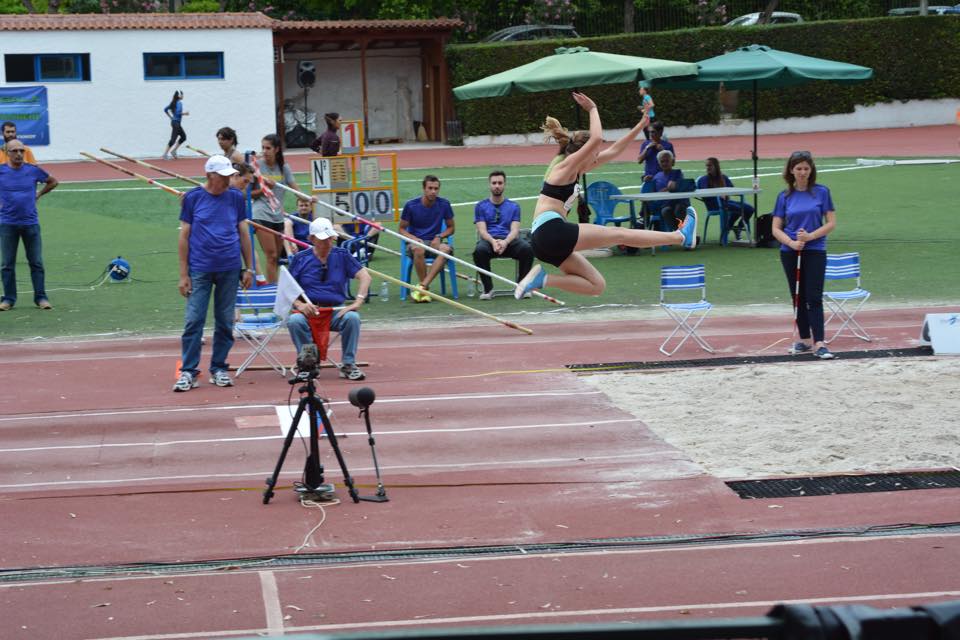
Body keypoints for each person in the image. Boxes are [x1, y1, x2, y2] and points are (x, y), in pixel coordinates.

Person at [514, 92, 697, 300]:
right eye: (593, 153)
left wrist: (641, 125)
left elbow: (615, 150)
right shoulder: (564, 167)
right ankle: (679, 236)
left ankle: (543, 280)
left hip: (546, 243)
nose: (597, 157)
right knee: (618, 234)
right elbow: (597, 138)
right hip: (550, 231)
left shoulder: (575, 170)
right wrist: (592, 109)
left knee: (596, 285)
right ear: (582, 152)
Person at [174, 155, 255, 392]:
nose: (228, 180)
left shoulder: (235, 198)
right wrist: (183, 274)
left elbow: (243, 232)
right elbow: (184, 237)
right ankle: (189, 371)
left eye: (230, 176)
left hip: (229, 268)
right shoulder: (193, 198)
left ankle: (219, 368)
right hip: (199, 268)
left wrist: (248, 267)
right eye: (224, 176)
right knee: (193, 320)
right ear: (210, 175)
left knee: (224, 320)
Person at [286, 217, 372, 381]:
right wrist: (300, 305)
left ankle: (348, 364)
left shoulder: (342, 255)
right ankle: (308, 364)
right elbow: (287, 288)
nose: (328, 244)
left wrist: (358, 302)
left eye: (330, 239)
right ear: (311, 239)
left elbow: (365, 276)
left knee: (352, 318)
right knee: (295, 321)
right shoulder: (300, 259)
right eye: (323, 240)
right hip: (310, 310)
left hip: (335, 310)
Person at [771, 151, 837, 360]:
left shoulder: (822, 192)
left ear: (811, 170)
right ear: (791, 170)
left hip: (815, 250)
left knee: (814, 297)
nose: (802, 172)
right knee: (797, 296)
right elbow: (776, 228)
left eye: (806, 169)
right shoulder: (784, 196)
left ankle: (820, 342)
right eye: (798, 168)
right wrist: (791, 242)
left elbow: (831, 223)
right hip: (791, 252)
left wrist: (810, 236)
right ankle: (805, 339)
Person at [0, 139, 58, 311]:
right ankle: (8, 299)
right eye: (14, 151)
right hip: (7, 224)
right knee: (7, 265)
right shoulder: (1, 171)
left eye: (21, 151)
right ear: (6, 153)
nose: (18, 154)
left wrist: (39, 193)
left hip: (30, 223)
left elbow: (53, 181)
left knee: (36, 262)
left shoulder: (33, 170)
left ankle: (41, 298)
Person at [472, 170, 534, 300]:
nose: (497, 186)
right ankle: (488, 289)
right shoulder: (480, 206)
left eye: (500, 183)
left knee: (527, 249)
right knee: (479, 251)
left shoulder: (514, 206)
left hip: (509, 241)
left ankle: (521, 287)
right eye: (494, 183)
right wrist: (493, 242)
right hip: (489, 242)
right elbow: (482, 231)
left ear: (505, 185)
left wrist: (505, 242)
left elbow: (515, 230)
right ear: (489, 185)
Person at [252, 133, 304, 284]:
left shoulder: (283, 167)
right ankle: (273, 290)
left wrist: (307, 198)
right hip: (261, 214)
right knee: (272, 255)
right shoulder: (257, 167)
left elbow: (296, 190)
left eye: (268, 148)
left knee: (277, 258)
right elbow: (247, 194)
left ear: (276, 149)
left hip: (278, 216)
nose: (264, 151)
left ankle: (274, 286)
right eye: (263, 148)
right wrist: (264, 189)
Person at [398, 175, 455, 303]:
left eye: (436, 188)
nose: (433, 191)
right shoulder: (411, 205)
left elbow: (451, 228)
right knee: (419, 249)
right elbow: (401, 229)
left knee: (445, 249)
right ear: (424, 189)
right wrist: (414, 239)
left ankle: (422, 288)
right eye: (430, 188)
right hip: (416, 244)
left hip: (435, 242)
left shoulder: (444, 204)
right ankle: (425, 289)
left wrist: (439, 236)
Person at [697, 157, 755, 240]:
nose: (707, 168)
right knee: (739, 209)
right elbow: (704, 194)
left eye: (710, 165)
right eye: (706, 166)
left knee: (750, 209)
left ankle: (737, 228)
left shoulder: (723, 177)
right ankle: (727, 229)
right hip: (714, 205)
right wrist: (718, 194)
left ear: (716, 166)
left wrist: (726, 193)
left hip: (727, 202)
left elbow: (732, 189)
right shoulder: (704, 179)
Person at [652, 150, 690, 232]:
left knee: (679, 208)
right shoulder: (656, 176)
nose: (665, 163)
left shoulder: (678, 173)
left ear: (672, 162)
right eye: (662, 161)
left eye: (667, 161)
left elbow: (675, 186)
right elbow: (654, 193)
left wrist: (667, 189)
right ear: (659, 163)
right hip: (665, 205)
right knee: (666, 211)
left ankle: (683, 232)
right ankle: (680, 232)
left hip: (680, 202)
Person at [162, 90, 188, 160]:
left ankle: (173, 151)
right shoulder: (179, 103)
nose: (183, 96)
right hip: (176, 123)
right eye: (182, 94)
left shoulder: (173, 103)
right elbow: (178, 113)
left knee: (183, 137)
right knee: (173, 139)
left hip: (175, 123)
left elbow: (165, 109)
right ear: (179, 96)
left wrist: (171, 117)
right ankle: (165, 154)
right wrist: (185, 114)